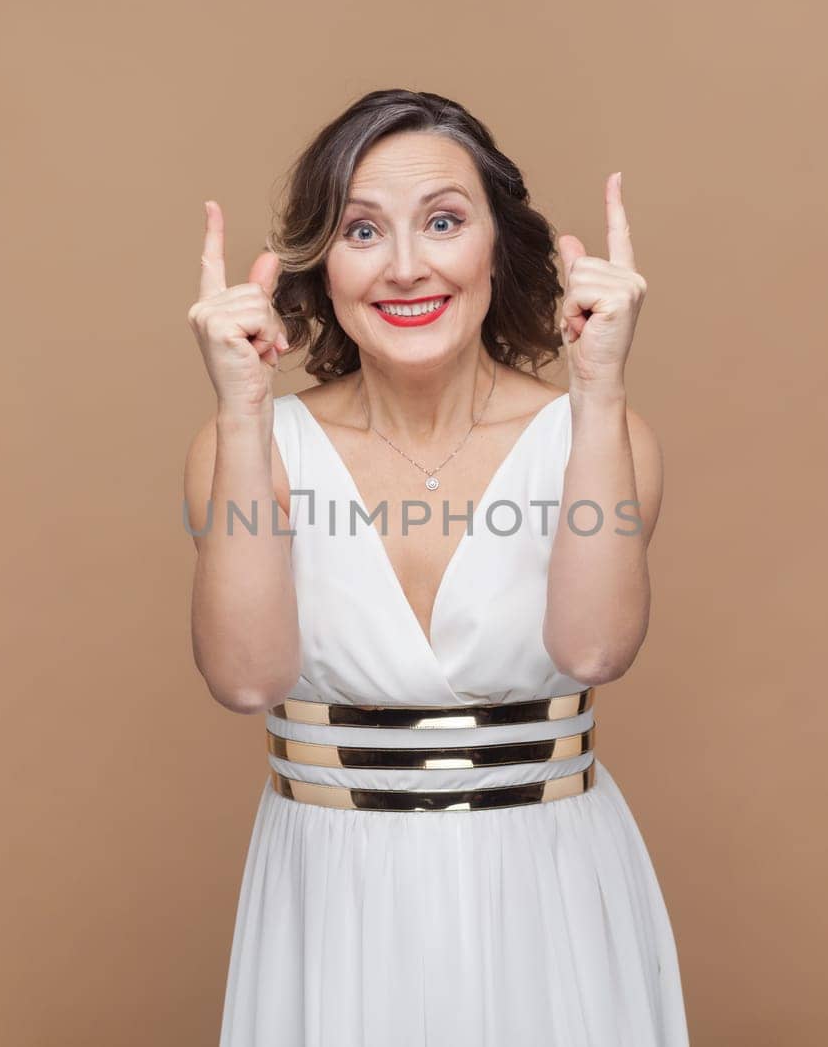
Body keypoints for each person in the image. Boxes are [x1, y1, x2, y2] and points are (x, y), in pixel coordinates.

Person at [183, 88, 691, 1046]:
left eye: (444, 222)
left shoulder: (600, 435)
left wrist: (600, 391)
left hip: (548, 888)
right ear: (319, 265)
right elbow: (246, 676)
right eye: (362, 230)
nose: (406, 266)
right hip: (332, 894)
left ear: (498, 245)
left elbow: (592, 649)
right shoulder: (246, 445)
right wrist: (245, 414)